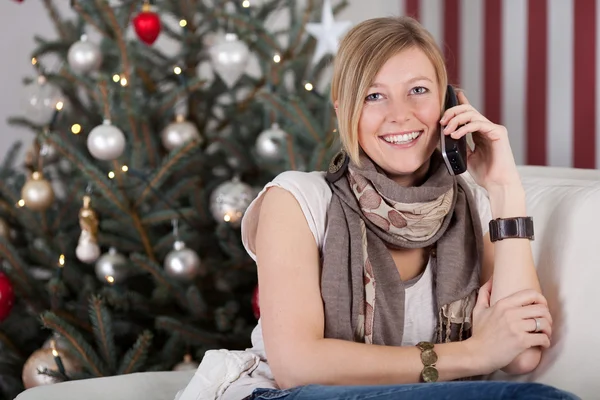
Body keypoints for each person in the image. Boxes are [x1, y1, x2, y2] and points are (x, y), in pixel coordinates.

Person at [180, 16, 580, 400]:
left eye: (419, 90)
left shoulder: (475, 207)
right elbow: (297, 367)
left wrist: (505, 189)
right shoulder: (296, 199)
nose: (400, 114)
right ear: (344, 112)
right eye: (374, 96)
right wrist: (474, 354)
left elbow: (522, 352)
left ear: (449, 102)